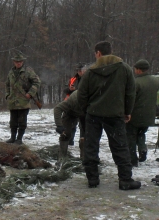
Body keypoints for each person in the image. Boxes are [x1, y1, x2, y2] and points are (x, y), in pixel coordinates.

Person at [77, 41, 139, 190]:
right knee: (120, 147)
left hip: (93, 114)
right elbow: (131, 92)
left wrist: (85, 110)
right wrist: (127, 111)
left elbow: (82, 94)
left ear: (98, 53)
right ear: (110, 52)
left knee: (91, 147)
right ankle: (125, 179)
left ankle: (92, 178)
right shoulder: (124, 69)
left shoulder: (91, 71)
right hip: (115, 114)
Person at [126, 59, 159, 166]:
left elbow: (130, 99)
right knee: (141, 133)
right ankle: (142, 149)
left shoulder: (136, 82)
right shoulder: (155, 81)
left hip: (135, 115)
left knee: (130, 136)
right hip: (149, 115)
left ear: (139, 70)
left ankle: (132, 159)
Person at [5, 51, 41, 144]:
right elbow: (7, 84)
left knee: (22, 122)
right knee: (13, 122)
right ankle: (12, 137)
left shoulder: (28, 71)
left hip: (23, 101)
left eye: (20, 61)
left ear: (22, 62)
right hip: (13, 101)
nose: (18, 63)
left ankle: (19, 139)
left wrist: (30, 93)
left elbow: (37, 82)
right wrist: (7, 95)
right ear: (14, 62)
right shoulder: (11, 72)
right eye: (17, 61)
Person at [54, 89, 86, 161]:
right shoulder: (71, 102)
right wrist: (59, 125)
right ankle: (62, 158)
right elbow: (57, 108)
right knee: (66, 134)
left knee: (87, 135)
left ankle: (85, 159)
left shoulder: (94, 100)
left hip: (87, 114)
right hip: (71, 112)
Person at [62, 62, 86, 145]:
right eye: (78, 70)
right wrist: (70, 89)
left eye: (81, 70)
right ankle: (70, 141)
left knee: (83, 126)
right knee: (71, 124)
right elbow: (65, 90)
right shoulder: (73, 79)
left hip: (83, 105)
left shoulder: (88, 79)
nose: (80, 72)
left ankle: (83, 141)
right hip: (72, 104)